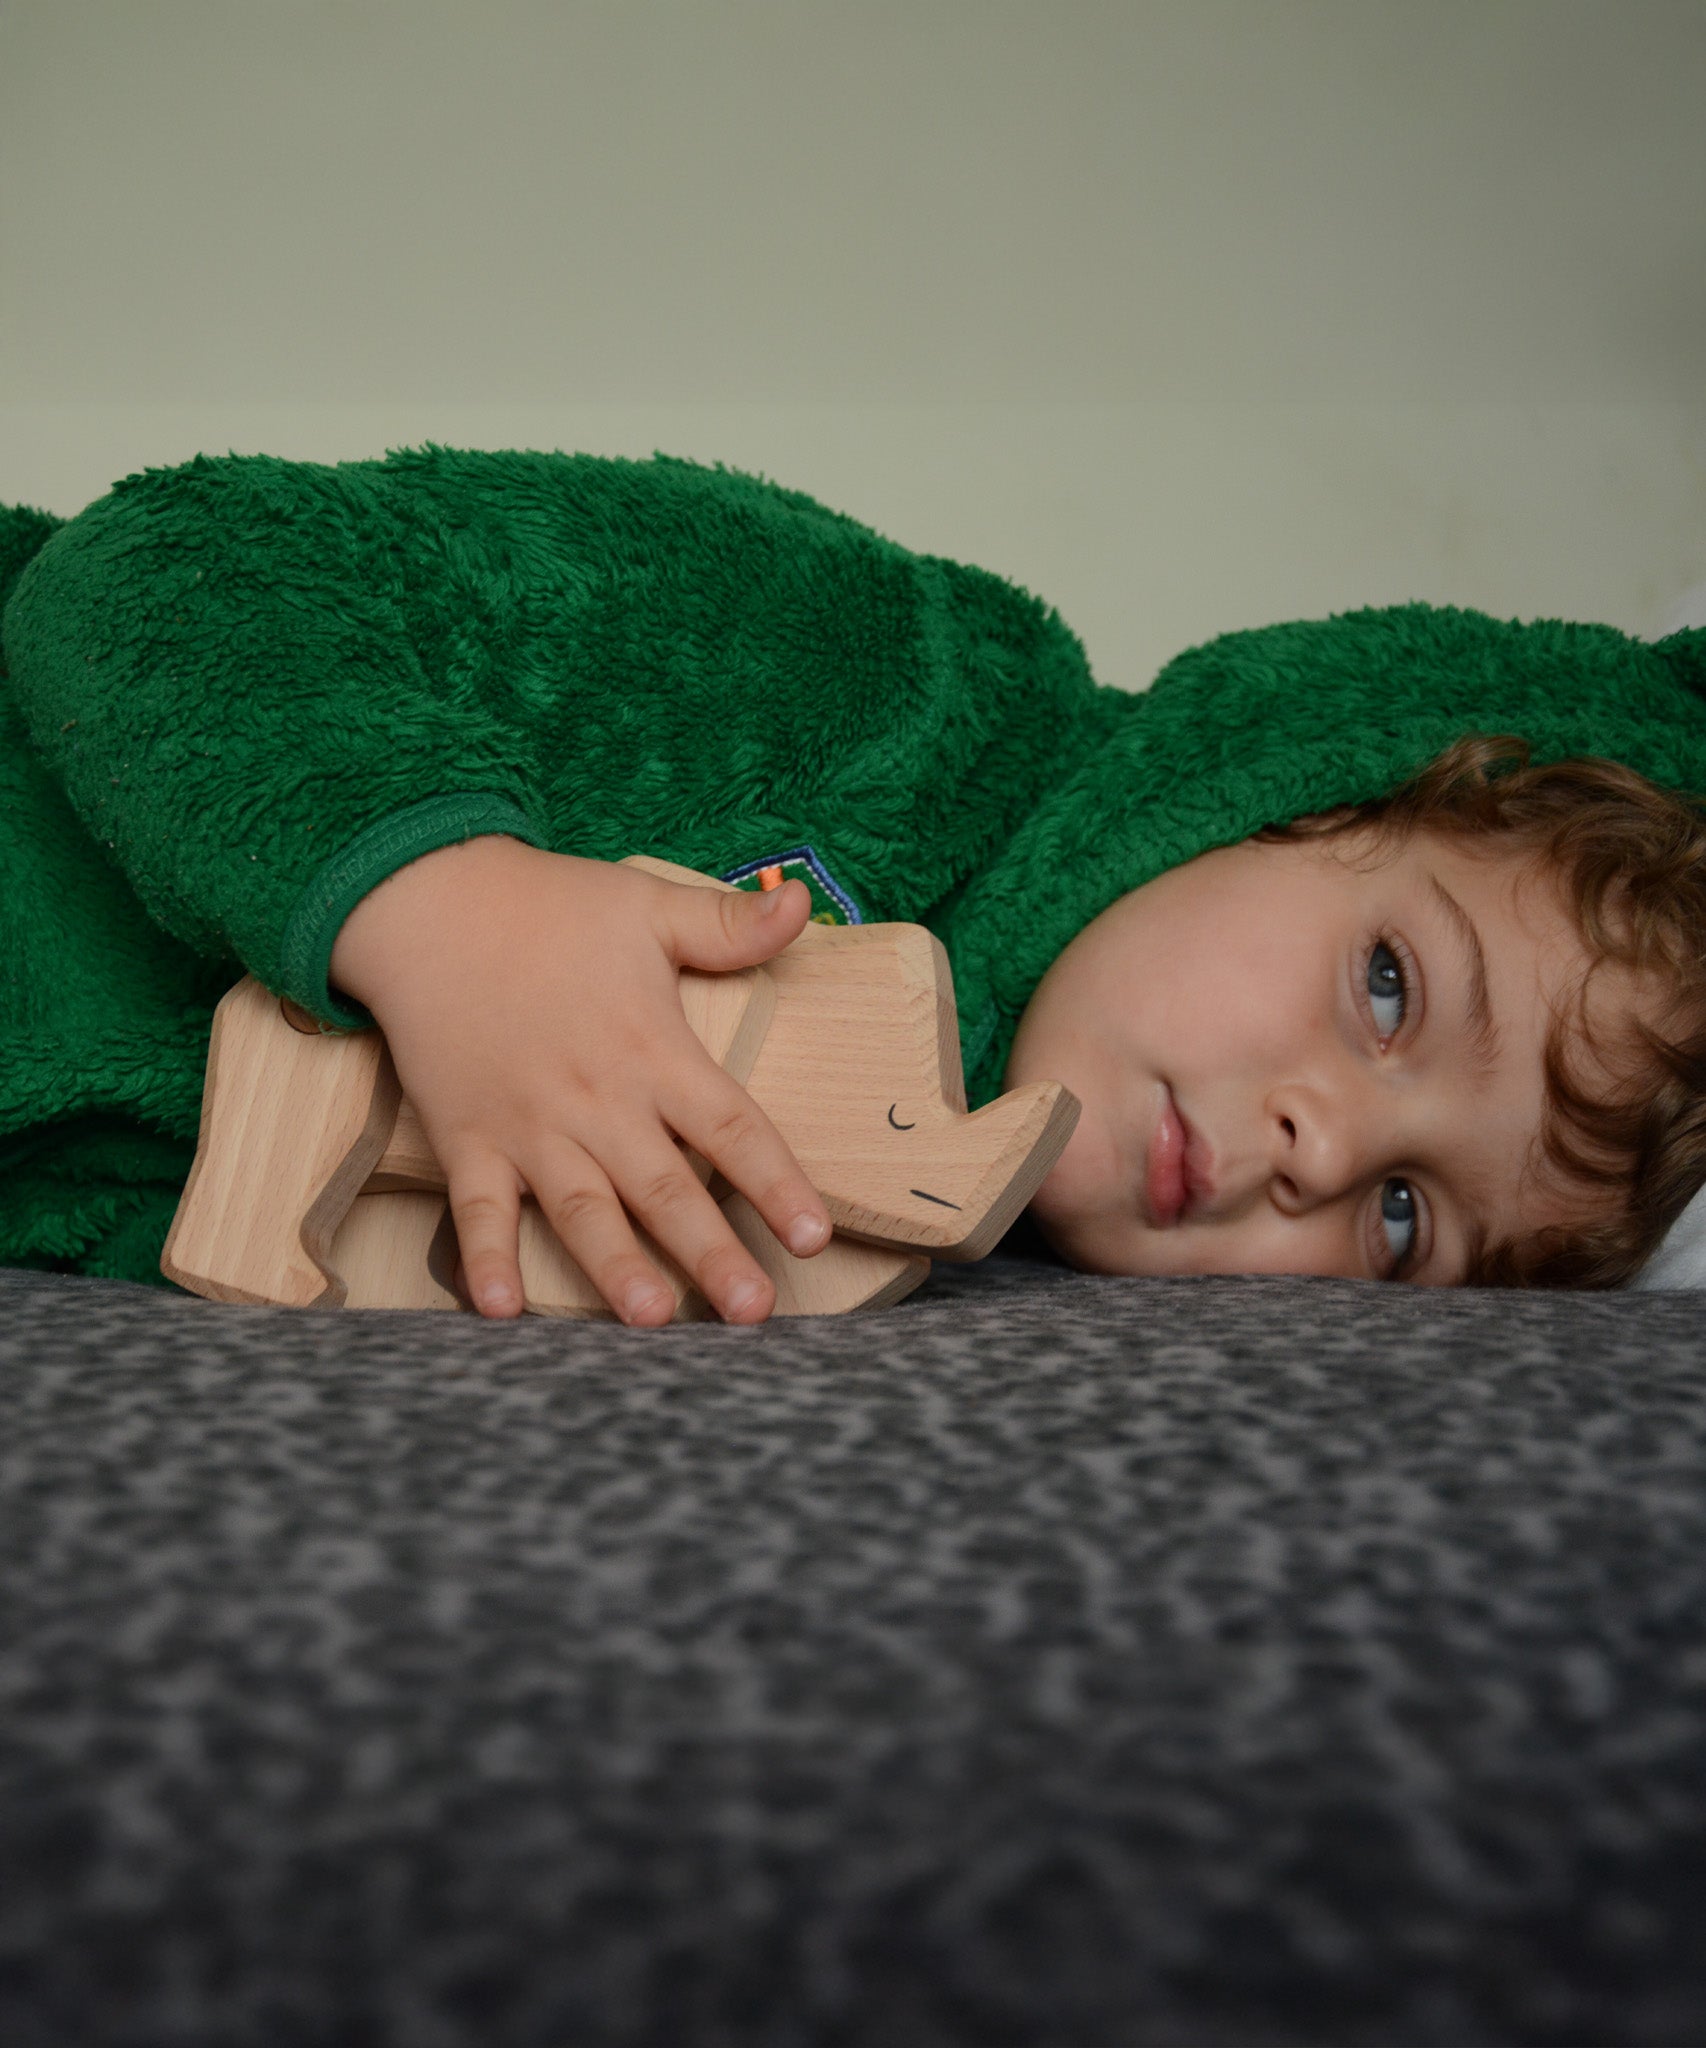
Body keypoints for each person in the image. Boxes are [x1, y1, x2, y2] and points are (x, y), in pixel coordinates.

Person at [3, 445, 1705, 1322]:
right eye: (1389, 988)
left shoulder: (921, 1222)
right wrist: (445, 902)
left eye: (1405, 1222)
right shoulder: (878, 673)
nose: (1319, 1148)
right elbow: (164, 563)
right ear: (1283, 789)